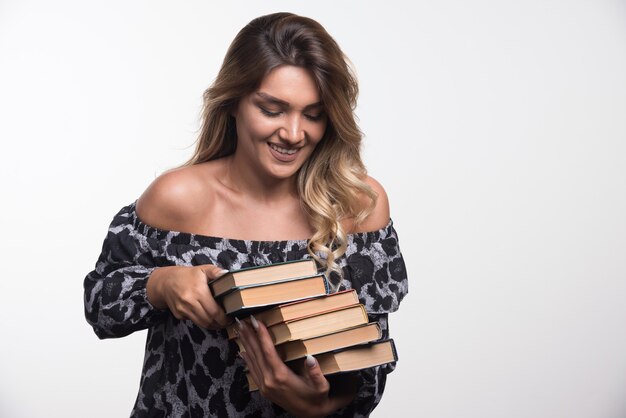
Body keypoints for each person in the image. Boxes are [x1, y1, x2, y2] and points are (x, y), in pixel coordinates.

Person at [83, 12, 408, 418]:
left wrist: (318, 404)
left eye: (313, 114)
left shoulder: (358, 203)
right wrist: (161, 284)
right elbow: (99, 304)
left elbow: (371, 362)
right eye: (273, 109)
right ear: (234, 102)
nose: (293, 133)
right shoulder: (178, 197)